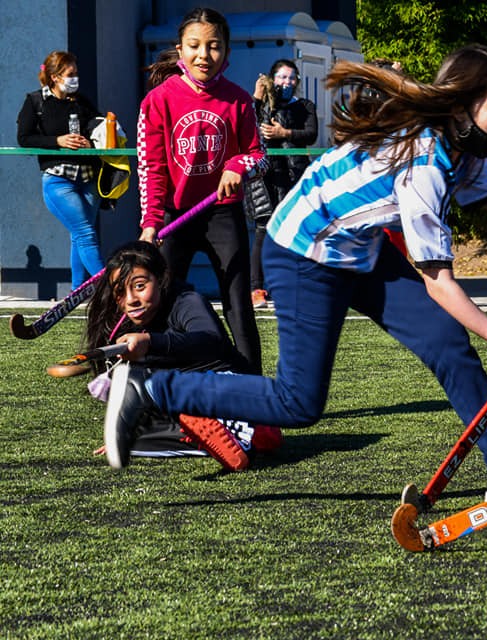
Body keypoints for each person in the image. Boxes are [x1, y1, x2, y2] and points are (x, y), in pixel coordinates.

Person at [102, 44, 487, 504]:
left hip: (357, 249)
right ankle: (152, 388)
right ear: (463, 108)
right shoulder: (426, 163)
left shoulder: (464, 152)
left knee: (447, 343)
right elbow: (439, 281)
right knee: (298, 403)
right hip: (304, 252)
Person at [137, 7, 269, 374]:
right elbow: (152, 168)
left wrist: (238, 165)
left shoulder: (238, 100)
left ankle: (252, 387)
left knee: (238, 303)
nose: (204, 55)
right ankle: (154, 383)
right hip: (174, 216)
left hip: (222, 214)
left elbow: (260, 156)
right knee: (160, 303)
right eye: (194, 46)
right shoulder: (157, 100)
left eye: (214, 46)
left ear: (226, 51)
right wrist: (150, 223)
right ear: (180, 49)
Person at [86, 241, 282, 470]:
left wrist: (151, 342)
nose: (130, 300)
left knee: (265, 434)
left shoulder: (186, 301)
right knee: (135, 433)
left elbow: (210, 339)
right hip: (191, 404)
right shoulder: (126, 324)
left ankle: (237, 432)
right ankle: (217, 434)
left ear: (161, 279)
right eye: (120, 292)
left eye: (139, 286)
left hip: (229, 387)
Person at [17, 51, 104, 290]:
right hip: (58, 180)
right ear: (55, 77)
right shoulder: (35, 101)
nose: (75, 78)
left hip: (88, 178)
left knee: (79, 236)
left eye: (76, 73)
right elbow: (24, 138)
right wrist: (58, 141)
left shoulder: (81, 101)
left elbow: (99, 127)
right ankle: (111, 288)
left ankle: (77, 291)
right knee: (85, 233)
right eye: (70, 74)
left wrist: (91, 142)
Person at [248, 59, 318, 309]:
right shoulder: (261, 105)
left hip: (296, 174)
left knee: (296, 229)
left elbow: (311, 134)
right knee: (263, 230)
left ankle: (294, 286)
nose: (286, 83)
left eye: (291, 78)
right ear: (272, 78)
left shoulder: (304, 106)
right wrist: (257, 98)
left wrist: (284, 133)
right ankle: (257, 288)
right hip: (267, 176)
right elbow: (245, 125)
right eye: (281, 77)